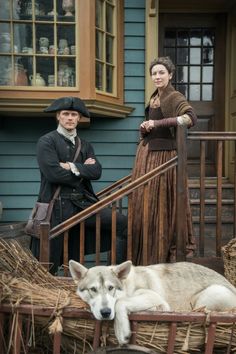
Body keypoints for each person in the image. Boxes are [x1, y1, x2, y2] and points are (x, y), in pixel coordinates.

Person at [31, 96, 127, 274]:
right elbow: (53, 174)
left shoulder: (85, 145)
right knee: (50, 257)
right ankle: (49, 290)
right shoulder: (46, 141)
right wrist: (84, 170)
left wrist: (70, 166)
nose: (70, 118)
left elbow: (96, 172)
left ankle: (113, 275)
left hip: (83, 204)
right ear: (58, 116)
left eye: (73, 114)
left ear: (79, 118)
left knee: (121, 223)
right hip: (56, 205)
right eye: (65, 114)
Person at [131, 56, 197, 265]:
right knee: (146, 204)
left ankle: (163, 254)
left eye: (161, 72)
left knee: (160, 205)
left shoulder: (173, 96)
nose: (157, 76)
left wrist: (158, 123)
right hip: (148, 155)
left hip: (163, 158)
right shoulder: (154, 97)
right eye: (154, 73)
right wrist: (145, 127)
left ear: (170, 75)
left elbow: (189, 118)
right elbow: (154, 126)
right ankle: (146, 257)